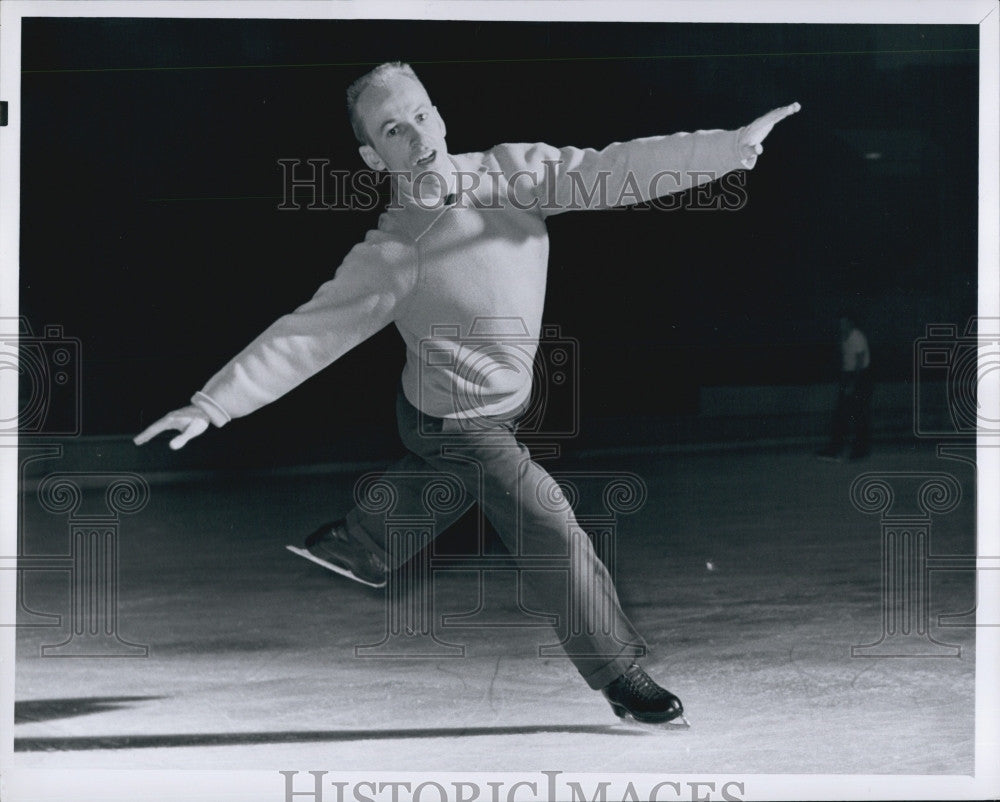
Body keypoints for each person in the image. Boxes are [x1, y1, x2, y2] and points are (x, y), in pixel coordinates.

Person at [135, 62, 801, 726]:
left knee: (461, 477)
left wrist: (724, 148)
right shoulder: (396, 248)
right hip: (454, 421)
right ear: (373, 156)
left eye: (421, 114)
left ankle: (362, 541)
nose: (416, 136)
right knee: (547, 523)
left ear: (440, 115)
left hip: (483, 403)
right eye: (393, 129)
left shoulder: (514, 173)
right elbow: (313, 330)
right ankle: (620, 673)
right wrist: (215, 401)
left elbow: (613, 170)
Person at [818, 315, 873, 460]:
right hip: (849, 375)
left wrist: (852, 384)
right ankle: (835, 448)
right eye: (840, 322)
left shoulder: (856, 337)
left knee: (858, 414)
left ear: (850, 323)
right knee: (841, 414)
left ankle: (860, 450)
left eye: (843, 323)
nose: (840, 325)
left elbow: (860, 362)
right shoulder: (844, 336)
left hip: (859, 376)